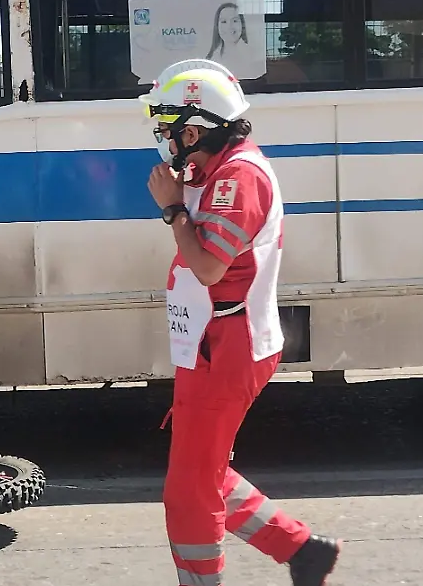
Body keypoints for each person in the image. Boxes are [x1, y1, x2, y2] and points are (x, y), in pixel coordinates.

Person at [141, 59, 342, 586]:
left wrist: (172, 211)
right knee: (202, 471)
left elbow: (208, 266)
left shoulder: (239, 178)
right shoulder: (217, 169)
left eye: (168, 127)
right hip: (211, 342)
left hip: (229, 345)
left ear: (196, 128)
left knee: (189, 490)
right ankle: (301, 549)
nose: (163, 138)